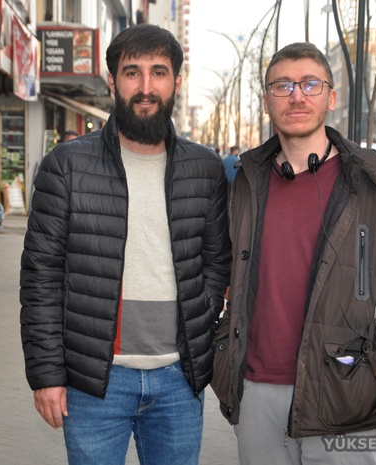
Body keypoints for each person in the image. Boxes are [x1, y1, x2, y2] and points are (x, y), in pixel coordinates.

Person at [20, 24, 231, 465]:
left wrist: (200, 318)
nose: (146, 87)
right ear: (112, 81)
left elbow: (216, 262)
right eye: (132, 72)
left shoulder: (205, 168)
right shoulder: (67, 165)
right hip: (94, 380)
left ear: (177, 81)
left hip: (179, 379)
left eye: (159, 72)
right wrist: (46, 374)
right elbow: (41, 276)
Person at [210, 42, 376, 465]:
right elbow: (217, 275)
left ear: (331, 97)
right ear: (267, 101)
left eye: (310, 84)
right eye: (282, 85)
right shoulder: (245, 183)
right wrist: (223, 357)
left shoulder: (375, 184)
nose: (297, 95)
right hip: (256, 396)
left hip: (346, 398)